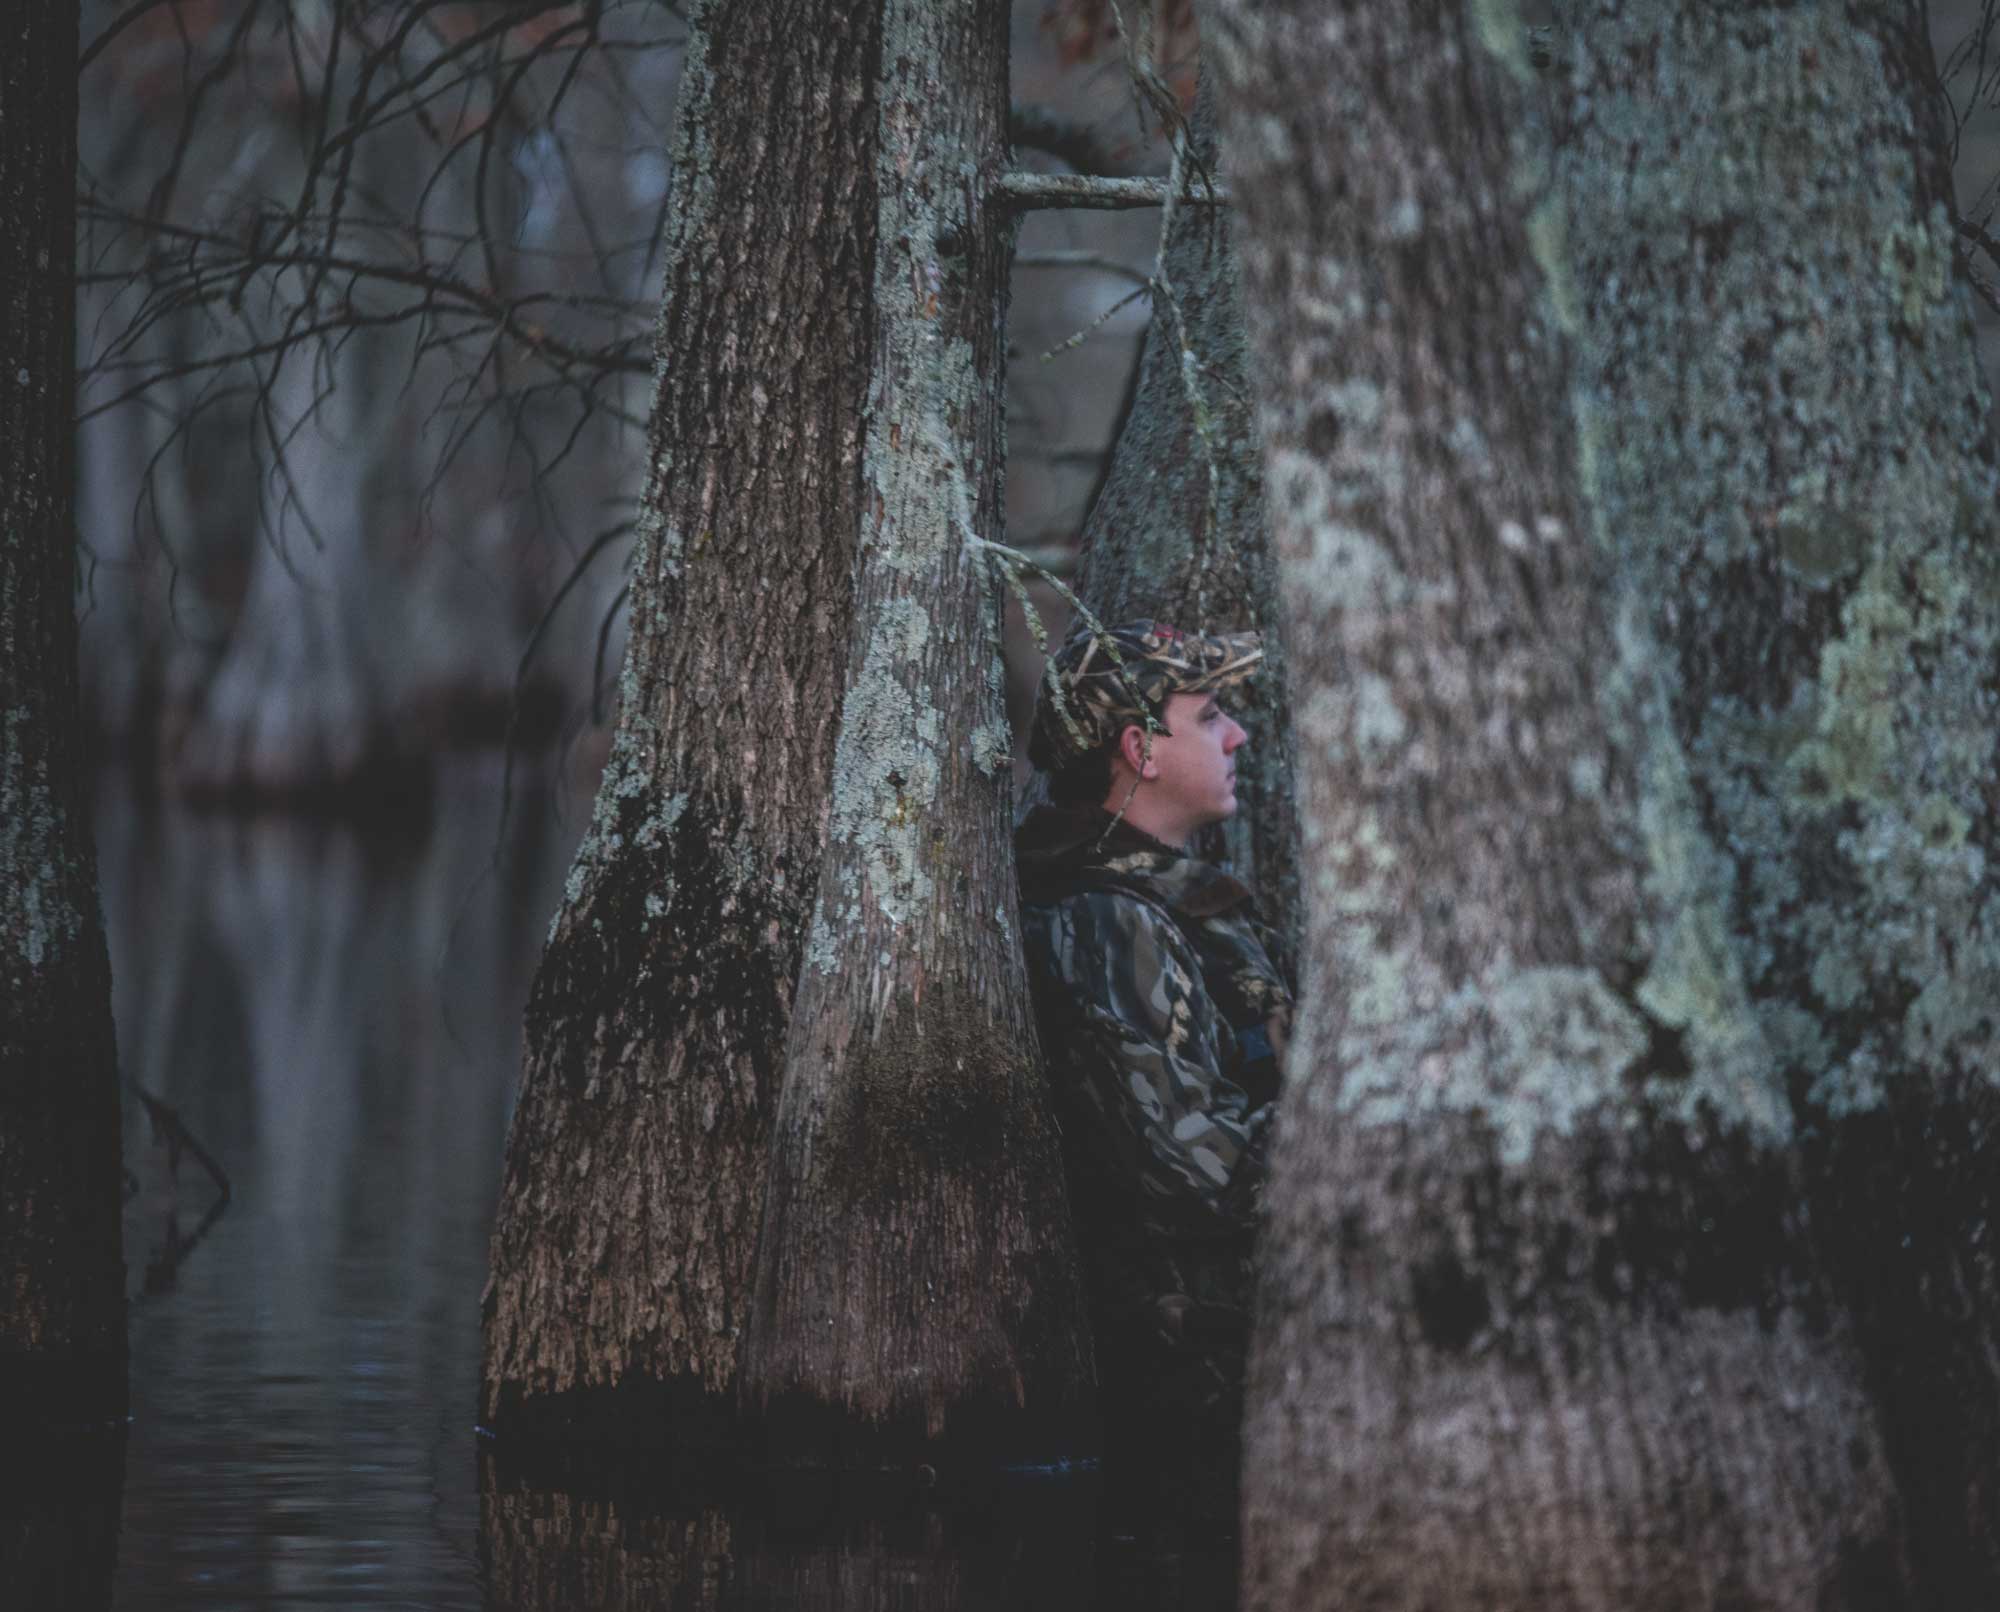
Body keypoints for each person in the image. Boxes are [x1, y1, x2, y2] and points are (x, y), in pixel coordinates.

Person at [1014, 619, 1293, 1494]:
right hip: (1195, 1387)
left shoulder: (1169, 901)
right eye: (1209, 717)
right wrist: (1360, 1124)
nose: (1237, 736)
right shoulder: (1106, 923)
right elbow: (1199, 1171)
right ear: (1139, 750)